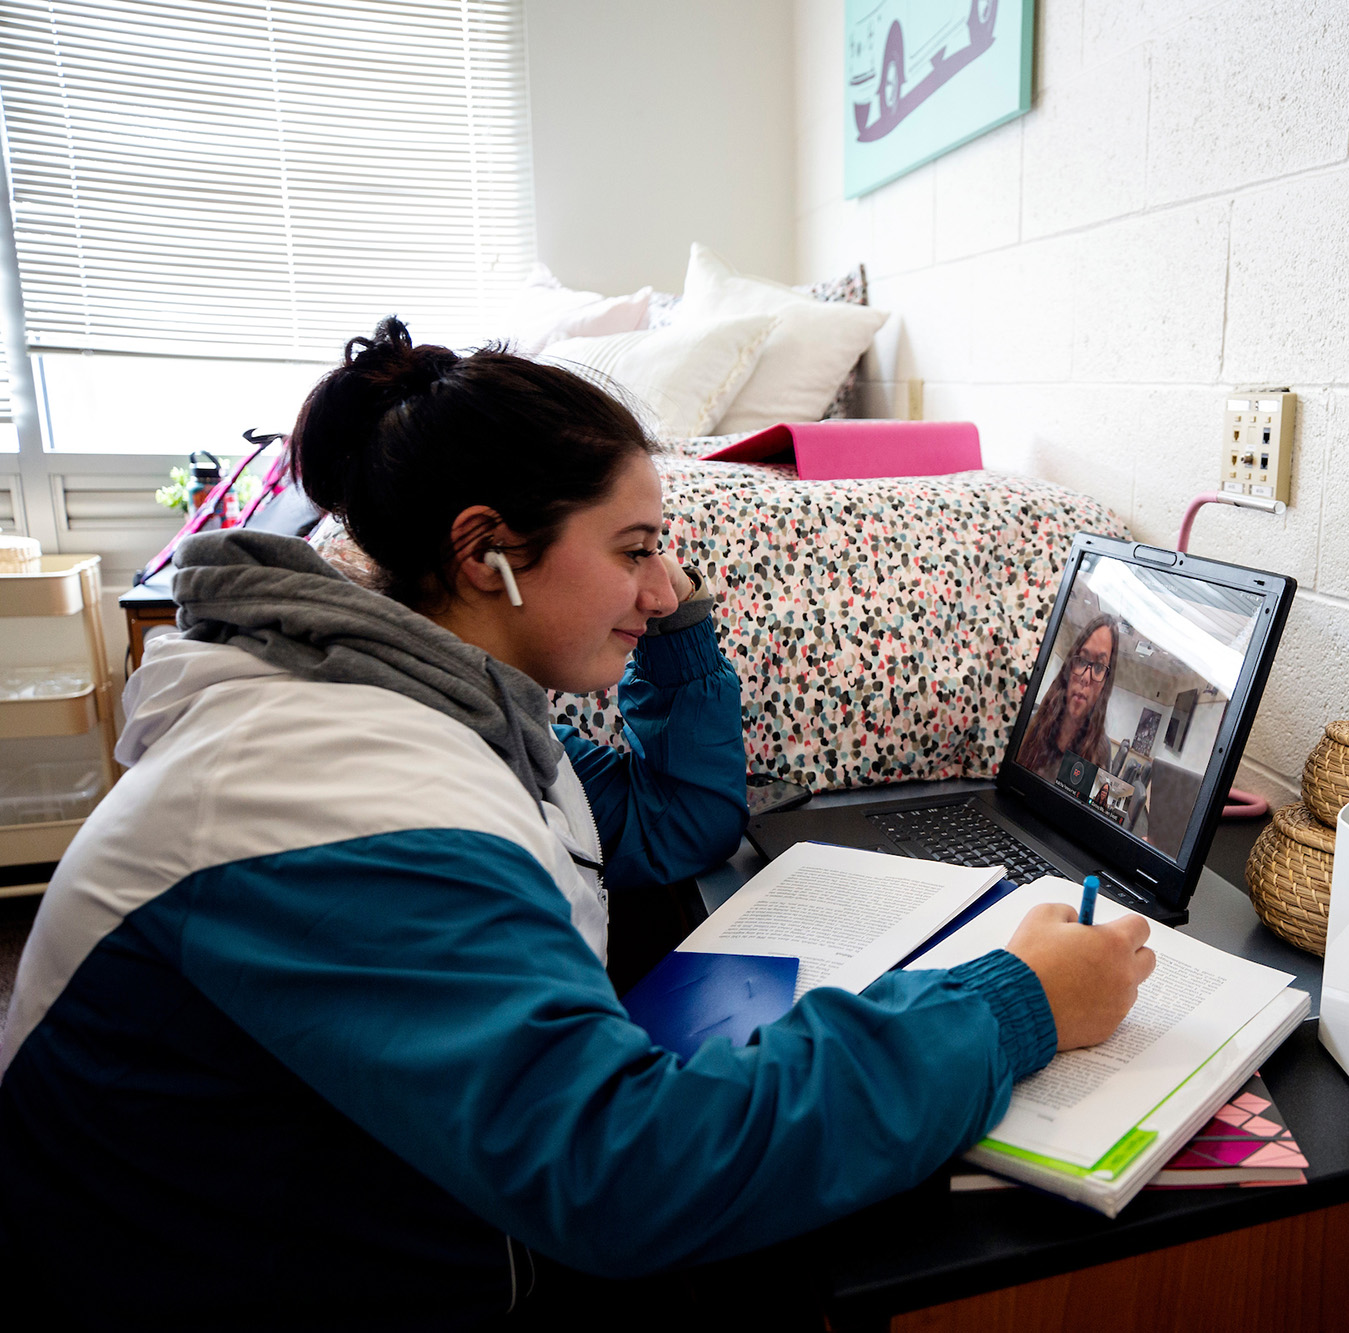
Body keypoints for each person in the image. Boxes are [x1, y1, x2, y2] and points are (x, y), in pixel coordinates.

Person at [0, 319, 1155, 1326]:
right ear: (487, 551)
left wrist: (670, 608)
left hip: (354, 1225)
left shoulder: (438, 708)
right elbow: (622, 1172)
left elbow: (669, 822)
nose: (664, 589)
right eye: (636, 549)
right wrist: (1015, 1003)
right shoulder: (342, 791)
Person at [1016, 614, 1121, 784]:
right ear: (1069, 667)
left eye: (1099, 667)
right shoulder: (1032, 722)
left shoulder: (1100, 751)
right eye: (1082, 660)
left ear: (1105, 684)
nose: (1086, 677)